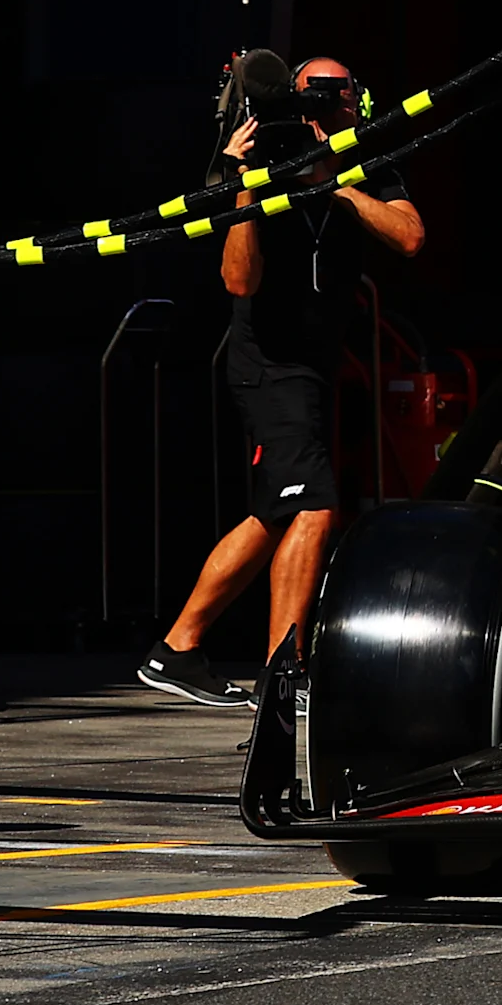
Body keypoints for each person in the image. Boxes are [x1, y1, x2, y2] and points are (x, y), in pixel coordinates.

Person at [137, 59, 425, 707]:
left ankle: (177, 649)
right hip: (268, 363)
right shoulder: (268, 161)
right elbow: (239, 281)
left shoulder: (366, 163)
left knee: (275, 514)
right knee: (314, 506)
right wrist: (248, 186)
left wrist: (336, 186)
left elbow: (409, 237)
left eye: (341, 91)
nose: (332, 102)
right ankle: (283, 673)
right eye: (315, 93)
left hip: (317, 364)